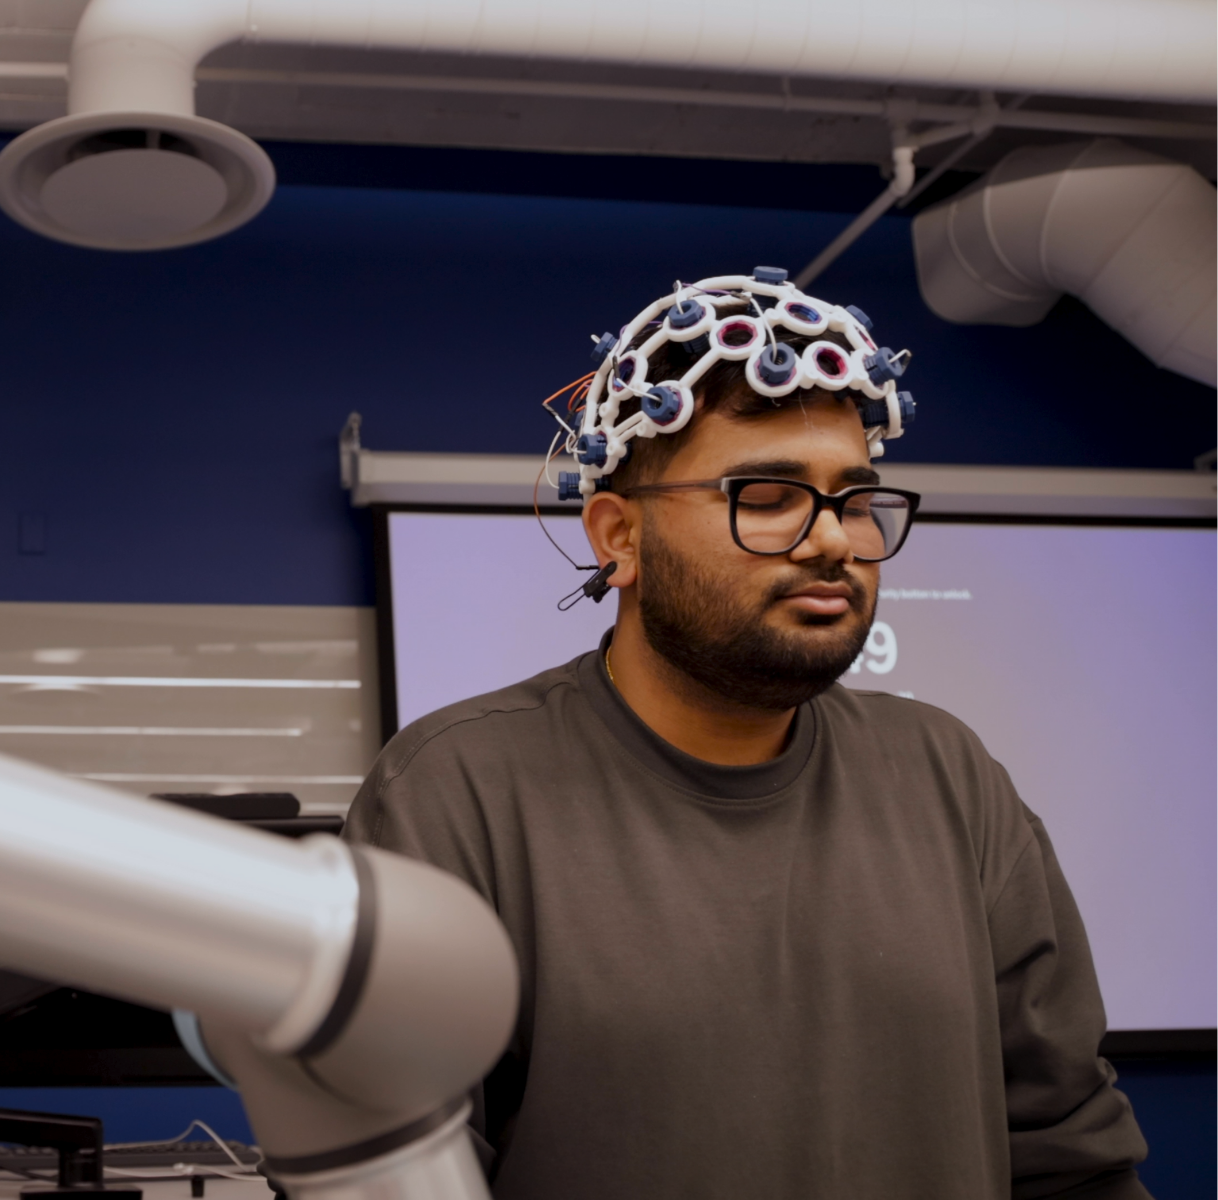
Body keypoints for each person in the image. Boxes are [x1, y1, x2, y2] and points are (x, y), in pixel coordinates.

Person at [343, 273, 1151, 1199]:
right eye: (767, 496)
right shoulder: (456, 797)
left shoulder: (950, 778)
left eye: (852, 500)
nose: (834, 542)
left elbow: (1071, 1157)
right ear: (619, 537)